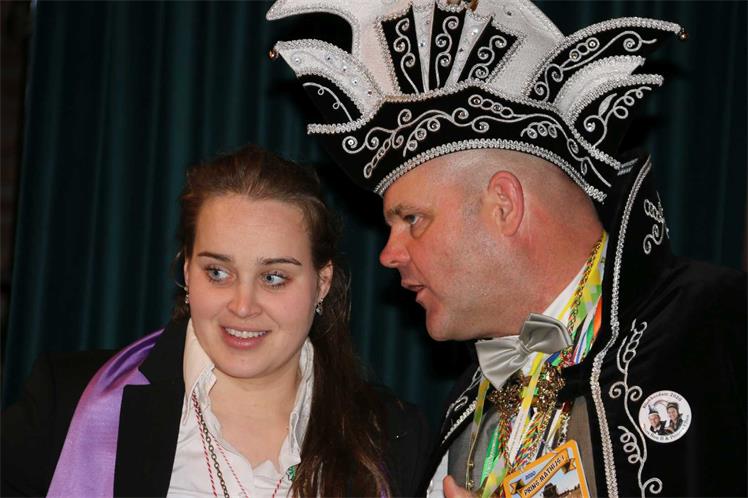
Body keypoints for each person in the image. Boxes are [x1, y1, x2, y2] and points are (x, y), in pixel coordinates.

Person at [267, 0, 747, 496]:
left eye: (412, 219)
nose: (389, 254)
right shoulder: (473, 398)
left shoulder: (719, 327)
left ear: (504, 205)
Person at [1, 144, 429, 497]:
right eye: (218, 273)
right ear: (188, 271)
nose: (242, 306)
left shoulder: (395, 438)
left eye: (274, 277)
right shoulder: (70, 402)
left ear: (322, 283)